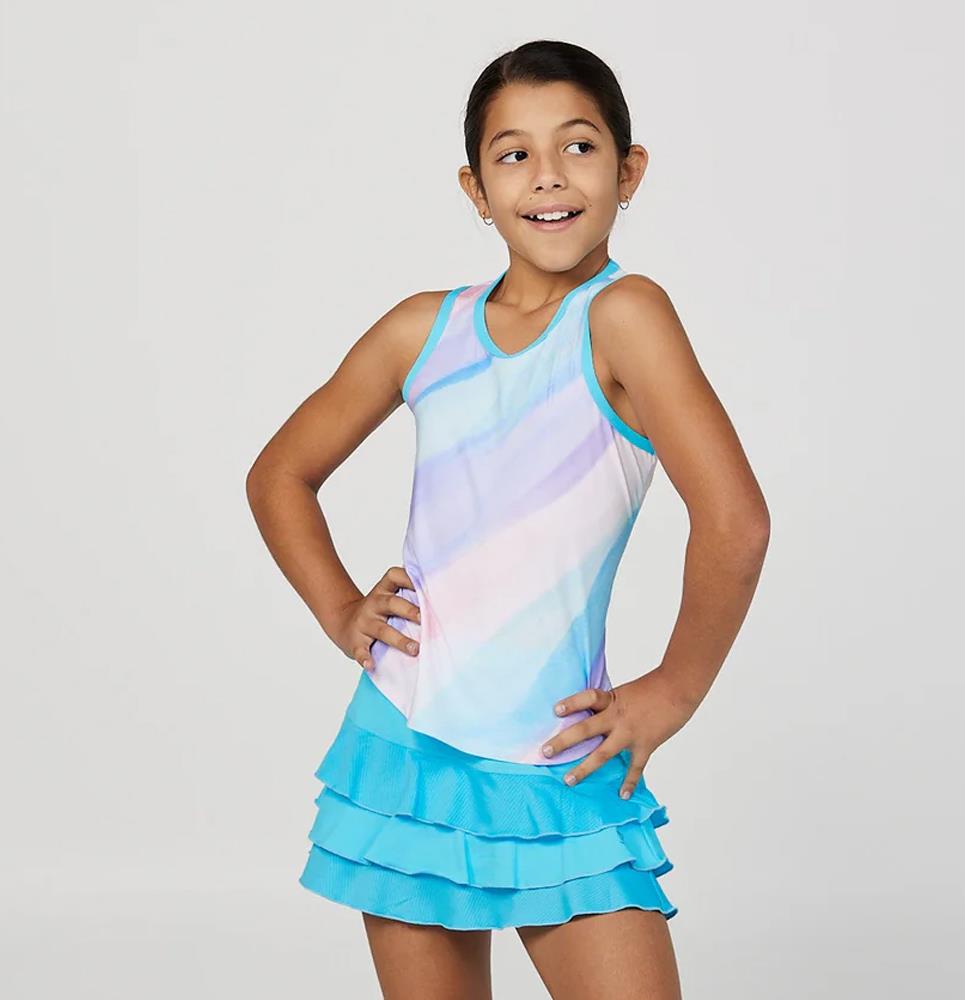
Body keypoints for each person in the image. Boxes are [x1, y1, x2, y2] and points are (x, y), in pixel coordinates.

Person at [246, 38, 769, 1000]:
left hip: (557, 759)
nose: (548, 176)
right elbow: (280, 473)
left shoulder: (625, 316)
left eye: (578, 146)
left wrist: (675, 689)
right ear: (476, 189)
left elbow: (736, 522)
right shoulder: (424, 328)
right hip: (406, 747)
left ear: (628, 171)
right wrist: (340, 609)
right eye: (514, 154)